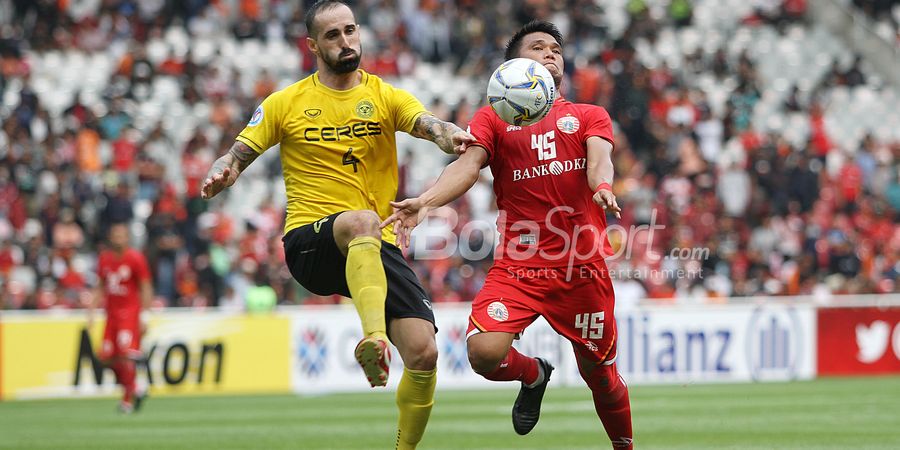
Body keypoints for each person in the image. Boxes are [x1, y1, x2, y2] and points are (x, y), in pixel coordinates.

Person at [199, 2, 475, 448]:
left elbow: (427, 124)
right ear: (312, 45)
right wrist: (224, 171)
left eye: (350, 31)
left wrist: (448, 133)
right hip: (311, 244)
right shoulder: (285, 103)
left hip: (373, 244)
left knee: (424, 351)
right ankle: (374, 341)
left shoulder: (384, 96)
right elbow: (233, 155)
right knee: (363, 220)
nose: (346, 41)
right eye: (333, 35)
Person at [383, 21, 634, 449]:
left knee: (601, 376)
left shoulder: (588, 115)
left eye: (556, 48)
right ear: (513, 67)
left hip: (582, 270)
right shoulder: (492, 120)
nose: (551, 53)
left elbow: (600, 161)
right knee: (482, 352)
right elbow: (466, 166)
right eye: (538, 47)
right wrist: (426, 201)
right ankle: (534, 375)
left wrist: (604, 187)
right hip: (520, 267)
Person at [88, 222, 153, 414]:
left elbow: (146, 286)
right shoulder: (105, 259)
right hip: (111, 315)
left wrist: (145, 315)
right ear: (110, 238)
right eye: (115, 236)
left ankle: (127, 399)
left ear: (127, 238)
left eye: (122, 235)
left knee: (126, 355)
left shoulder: (135, 258)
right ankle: (135, 388)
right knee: (105, 357)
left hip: (129, 314)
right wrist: (91, 310)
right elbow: (100, 286)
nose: (118, 239)